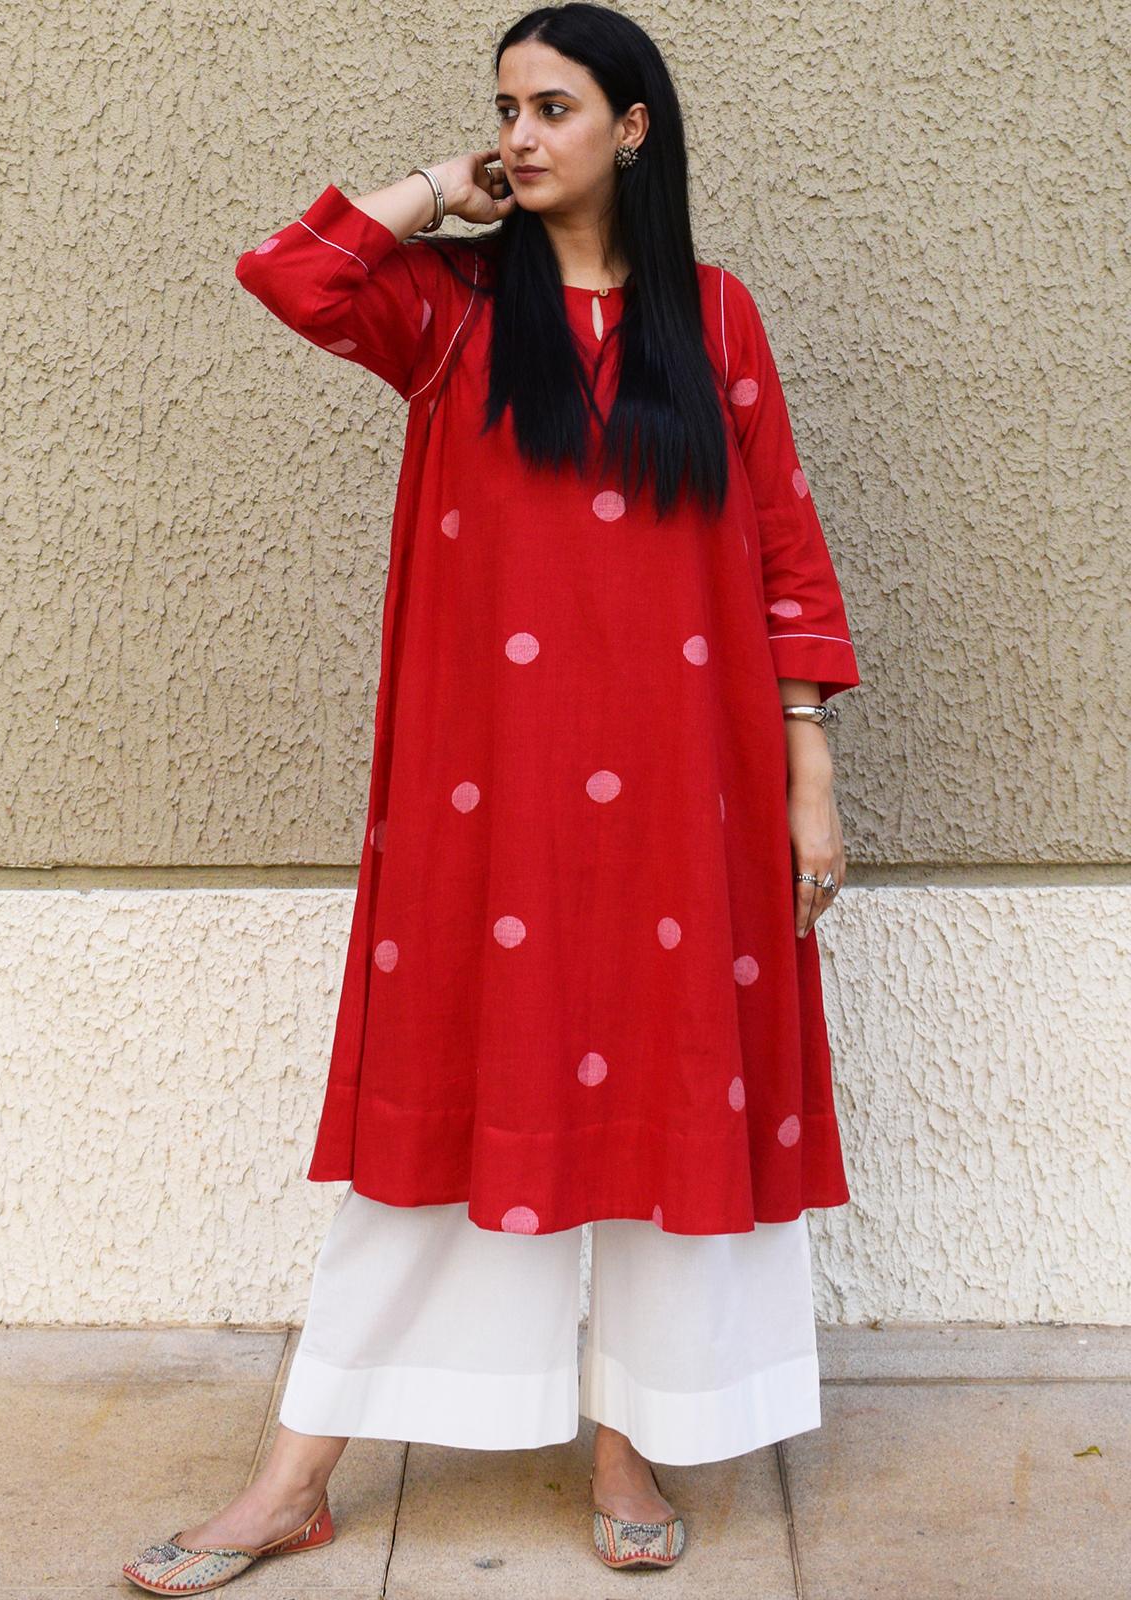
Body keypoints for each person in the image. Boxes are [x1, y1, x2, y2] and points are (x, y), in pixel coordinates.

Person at [121, 2, 860, 1590]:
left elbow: (782, 550)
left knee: (670, 1106)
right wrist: (431, 191)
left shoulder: (714, 319)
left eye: (553, 108)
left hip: (691, 799)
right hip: (493, 803)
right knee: (448, 1117)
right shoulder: (450, 311)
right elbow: (289, 273)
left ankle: (630, 1441)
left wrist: (809, 775)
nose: (521, 134)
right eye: (505, 108)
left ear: (634, 130)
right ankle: (295, 1479)